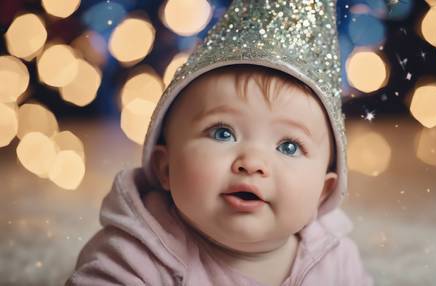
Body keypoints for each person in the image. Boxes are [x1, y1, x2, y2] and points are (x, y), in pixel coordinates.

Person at [66, 1, 373, 285]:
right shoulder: (139, 255)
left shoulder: (335, 262)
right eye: (222, 133)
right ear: (165, 167)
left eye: (288, 146)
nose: (252, 163)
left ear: (323, 191)